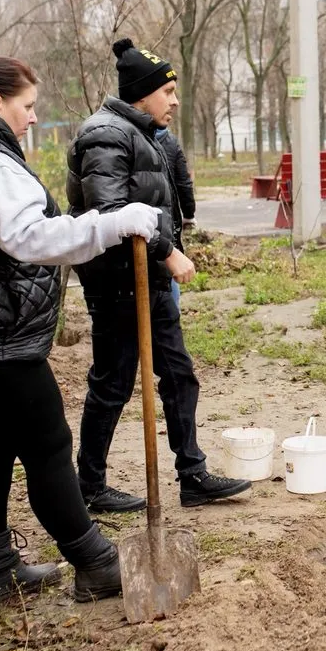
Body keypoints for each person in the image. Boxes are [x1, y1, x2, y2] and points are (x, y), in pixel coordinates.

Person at [0, 56, 161, 604]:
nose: (31, 118)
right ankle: (95, 564)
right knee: (48, 446)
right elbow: (29, 237)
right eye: (26, 107)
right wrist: (113, 223)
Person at [68, 39, 251, 512]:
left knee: (179, 376)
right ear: (141, 93)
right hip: (117, 283)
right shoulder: (104, 136)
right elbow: (110, 213)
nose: (174, 100)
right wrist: (169, 253)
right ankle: (89, 485)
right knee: (113, 383)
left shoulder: (145, 134)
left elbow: (161, 203)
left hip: (148, 280)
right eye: (167, 91)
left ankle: (192, 476)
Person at [158, 127, 195, 308]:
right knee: (169, 267)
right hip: (166, 228)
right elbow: (184, 183)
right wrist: (189, 215)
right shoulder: (170, 141)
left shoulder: (125, 136)